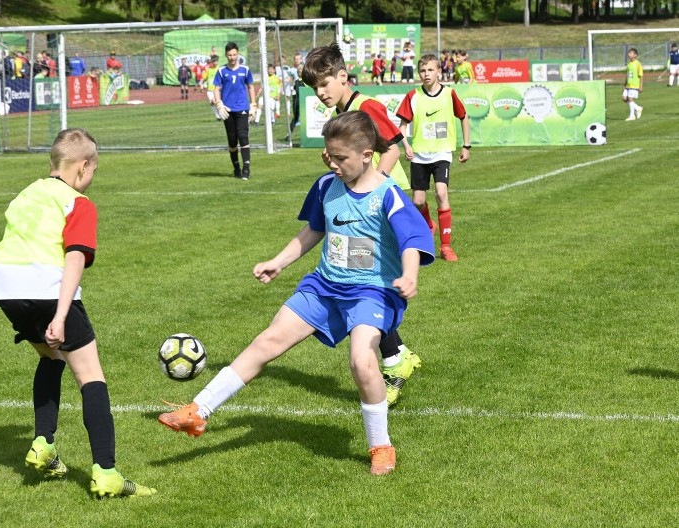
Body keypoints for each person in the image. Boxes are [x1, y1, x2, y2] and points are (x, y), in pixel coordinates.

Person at [158, 111, 435, 476]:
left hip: (372, 291)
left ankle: (380, 446)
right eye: (329, 157)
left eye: (341, 158)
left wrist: (410, 275)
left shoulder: (388, 195)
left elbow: (412, 240)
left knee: (362, 361)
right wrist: (279, 261)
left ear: (367, 155)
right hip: (324, 285)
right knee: (267, 341)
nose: (333, 165)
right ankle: (198, 412)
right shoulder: (326, 186)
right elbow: (313, 231)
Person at [0, 128, 156, 498]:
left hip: (2, 285)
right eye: (93, 170)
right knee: (91, 375)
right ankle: (107, 472)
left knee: (51, 355)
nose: (92, 178)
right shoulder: (78, 202)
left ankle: (43, 444)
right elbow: (75, 255)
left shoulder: (28, 192)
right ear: (82, 166)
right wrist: (60, 316)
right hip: (43, 286)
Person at [301, 42, 420, 407]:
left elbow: (396, 147)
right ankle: (397, 355)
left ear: (342, 77)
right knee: (361, 281)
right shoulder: (343, 113)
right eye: (315, 88)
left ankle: (395, 362)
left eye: (324, 84)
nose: (320, 93)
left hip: (381, 209)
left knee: (364, 284)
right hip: (362, 208)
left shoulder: (365, 107)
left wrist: (368, 185)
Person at [396, 53, 470, 264]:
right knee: (418, 201)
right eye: (422, 70)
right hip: (419, 154)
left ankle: (446, 246)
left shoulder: (449, 94)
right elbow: (401, 126)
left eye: (430, 70)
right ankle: (429, 225)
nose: (426, 74)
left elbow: (463, 117)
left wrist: (466, 146)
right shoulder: (413, 96)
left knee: (440, 192)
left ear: (439, 71)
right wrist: (407, 145)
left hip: (441, 153)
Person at [213, 42, 257, 180]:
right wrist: (219, 104)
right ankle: (236, 168)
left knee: (243, 136)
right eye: (230, 55)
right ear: (226, 55)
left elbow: (250, 86)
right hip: (227, 110)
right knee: (232, 140)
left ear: (238, 54)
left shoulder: (245, 70)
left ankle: (246, 169)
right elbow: (216, 89)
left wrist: (253, 104)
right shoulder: (221, 71)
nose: (232, 57)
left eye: (234, 54)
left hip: (242, 108)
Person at [287, 53, 304, 140]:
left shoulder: (307, 69)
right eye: (296, 59)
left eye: (299, 59)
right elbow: (289, 79)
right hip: (296, 97)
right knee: (296, 117)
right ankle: (289, 134)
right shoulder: (291, 70)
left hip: (305, 99)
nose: (297, 60)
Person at [623, 48, 644, 121]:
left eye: (631, 53)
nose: (629, 54)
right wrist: (625, 84)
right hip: (628, 85)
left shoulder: (638, 64)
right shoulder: (629, 64)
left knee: (630, 99)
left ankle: (632, 116)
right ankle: (638, 108)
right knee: (624, 99)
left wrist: (641, 86)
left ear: (635, 55)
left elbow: (641, 75)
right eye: (629, 53)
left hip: (634, 85)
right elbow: (627, 74)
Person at [205, 55, 221, 120]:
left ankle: (220, 114)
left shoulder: (219, 69)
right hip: (209, 90)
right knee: (212, 103)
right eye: (213, 61)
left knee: (215, 101)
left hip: (217, 89)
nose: (215, 63)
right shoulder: (209, 70)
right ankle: (218, 116)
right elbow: (204, 78)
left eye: (216, 61)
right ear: (211, 61)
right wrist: (201, 83)